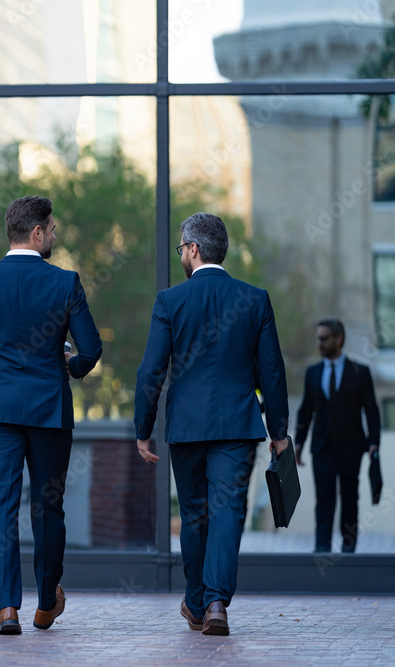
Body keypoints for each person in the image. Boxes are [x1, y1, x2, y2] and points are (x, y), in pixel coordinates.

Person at [0, 195, 102, 635]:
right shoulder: (65, 283)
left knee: (1, 509)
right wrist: (72, 367)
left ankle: (7, 608)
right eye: (51, 229)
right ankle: (47, 603)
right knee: (48, 508)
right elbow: (92, 349)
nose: (54, 235)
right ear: (36, 233)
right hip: (49, 411)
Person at [134, 212, 288, 636]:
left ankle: (198, 600)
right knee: (227, 513)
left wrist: (143, 428)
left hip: (186, 427)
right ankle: (215, 602)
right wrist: (279, 434)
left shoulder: (170, 301)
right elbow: (272, 372)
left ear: (194, 250)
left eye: (181, 249)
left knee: (195, 514)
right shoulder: (255, 299)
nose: (181, 255)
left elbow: (151, 371)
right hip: (239, 428)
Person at [294, 318, 380, 554]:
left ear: (338, 338)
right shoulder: (313, 373)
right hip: (322, 448)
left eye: (324, 338)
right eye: (318, 338)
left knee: (350, 497)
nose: (320, 343)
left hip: (352, 447)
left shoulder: (360, 372)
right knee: (324, 499)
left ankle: (349, 547)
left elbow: (371, 409)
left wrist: (374, 442)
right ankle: (322, 547)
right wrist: (299, 442)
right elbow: (306, 410)